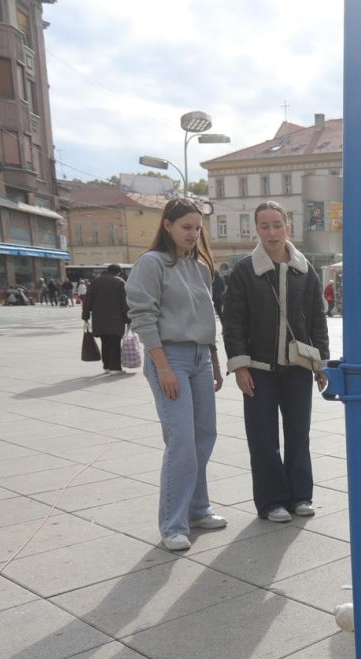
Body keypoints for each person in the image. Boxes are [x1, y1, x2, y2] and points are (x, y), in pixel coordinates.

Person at [125, 198, 227, 551]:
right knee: (181, 440)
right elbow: (142, 316)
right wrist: (163, 366)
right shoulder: (151, 263)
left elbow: (206, 316)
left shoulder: (200, 267)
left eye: (197, 228)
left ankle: (198, 509)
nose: (193, 234)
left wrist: (214, 361)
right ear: (167, 225)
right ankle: (173, 524)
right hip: (169, 357)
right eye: (186, 227)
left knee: (204, 436)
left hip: (200, 357)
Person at [223, 201, 330, 522]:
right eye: (264, 226)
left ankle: (300, 496)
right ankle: (271, 502)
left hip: (298, 367)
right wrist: (239, 365)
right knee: (263, 439)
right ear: (256, 229)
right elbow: (233, 320)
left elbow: (317, 318)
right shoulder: (244, 270)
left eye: (277, 225)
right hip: (258, 370)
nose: (271, 232)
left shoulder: (305, 270)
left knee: (299, 434)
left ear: (288, 227)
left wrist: (321, 363)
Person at [82, 264, 129, 374]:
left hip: (99, 319)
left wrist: (85, 315)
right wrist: (128, 318)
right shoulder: (120, 282)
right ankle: (115, 368)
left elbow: (88, 299)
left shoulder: (96, 281)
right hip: (116, 319)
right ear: (118, 272)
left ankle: (107, 366)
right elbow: (125, 302)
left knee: (105, 342)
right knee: (115, 343)